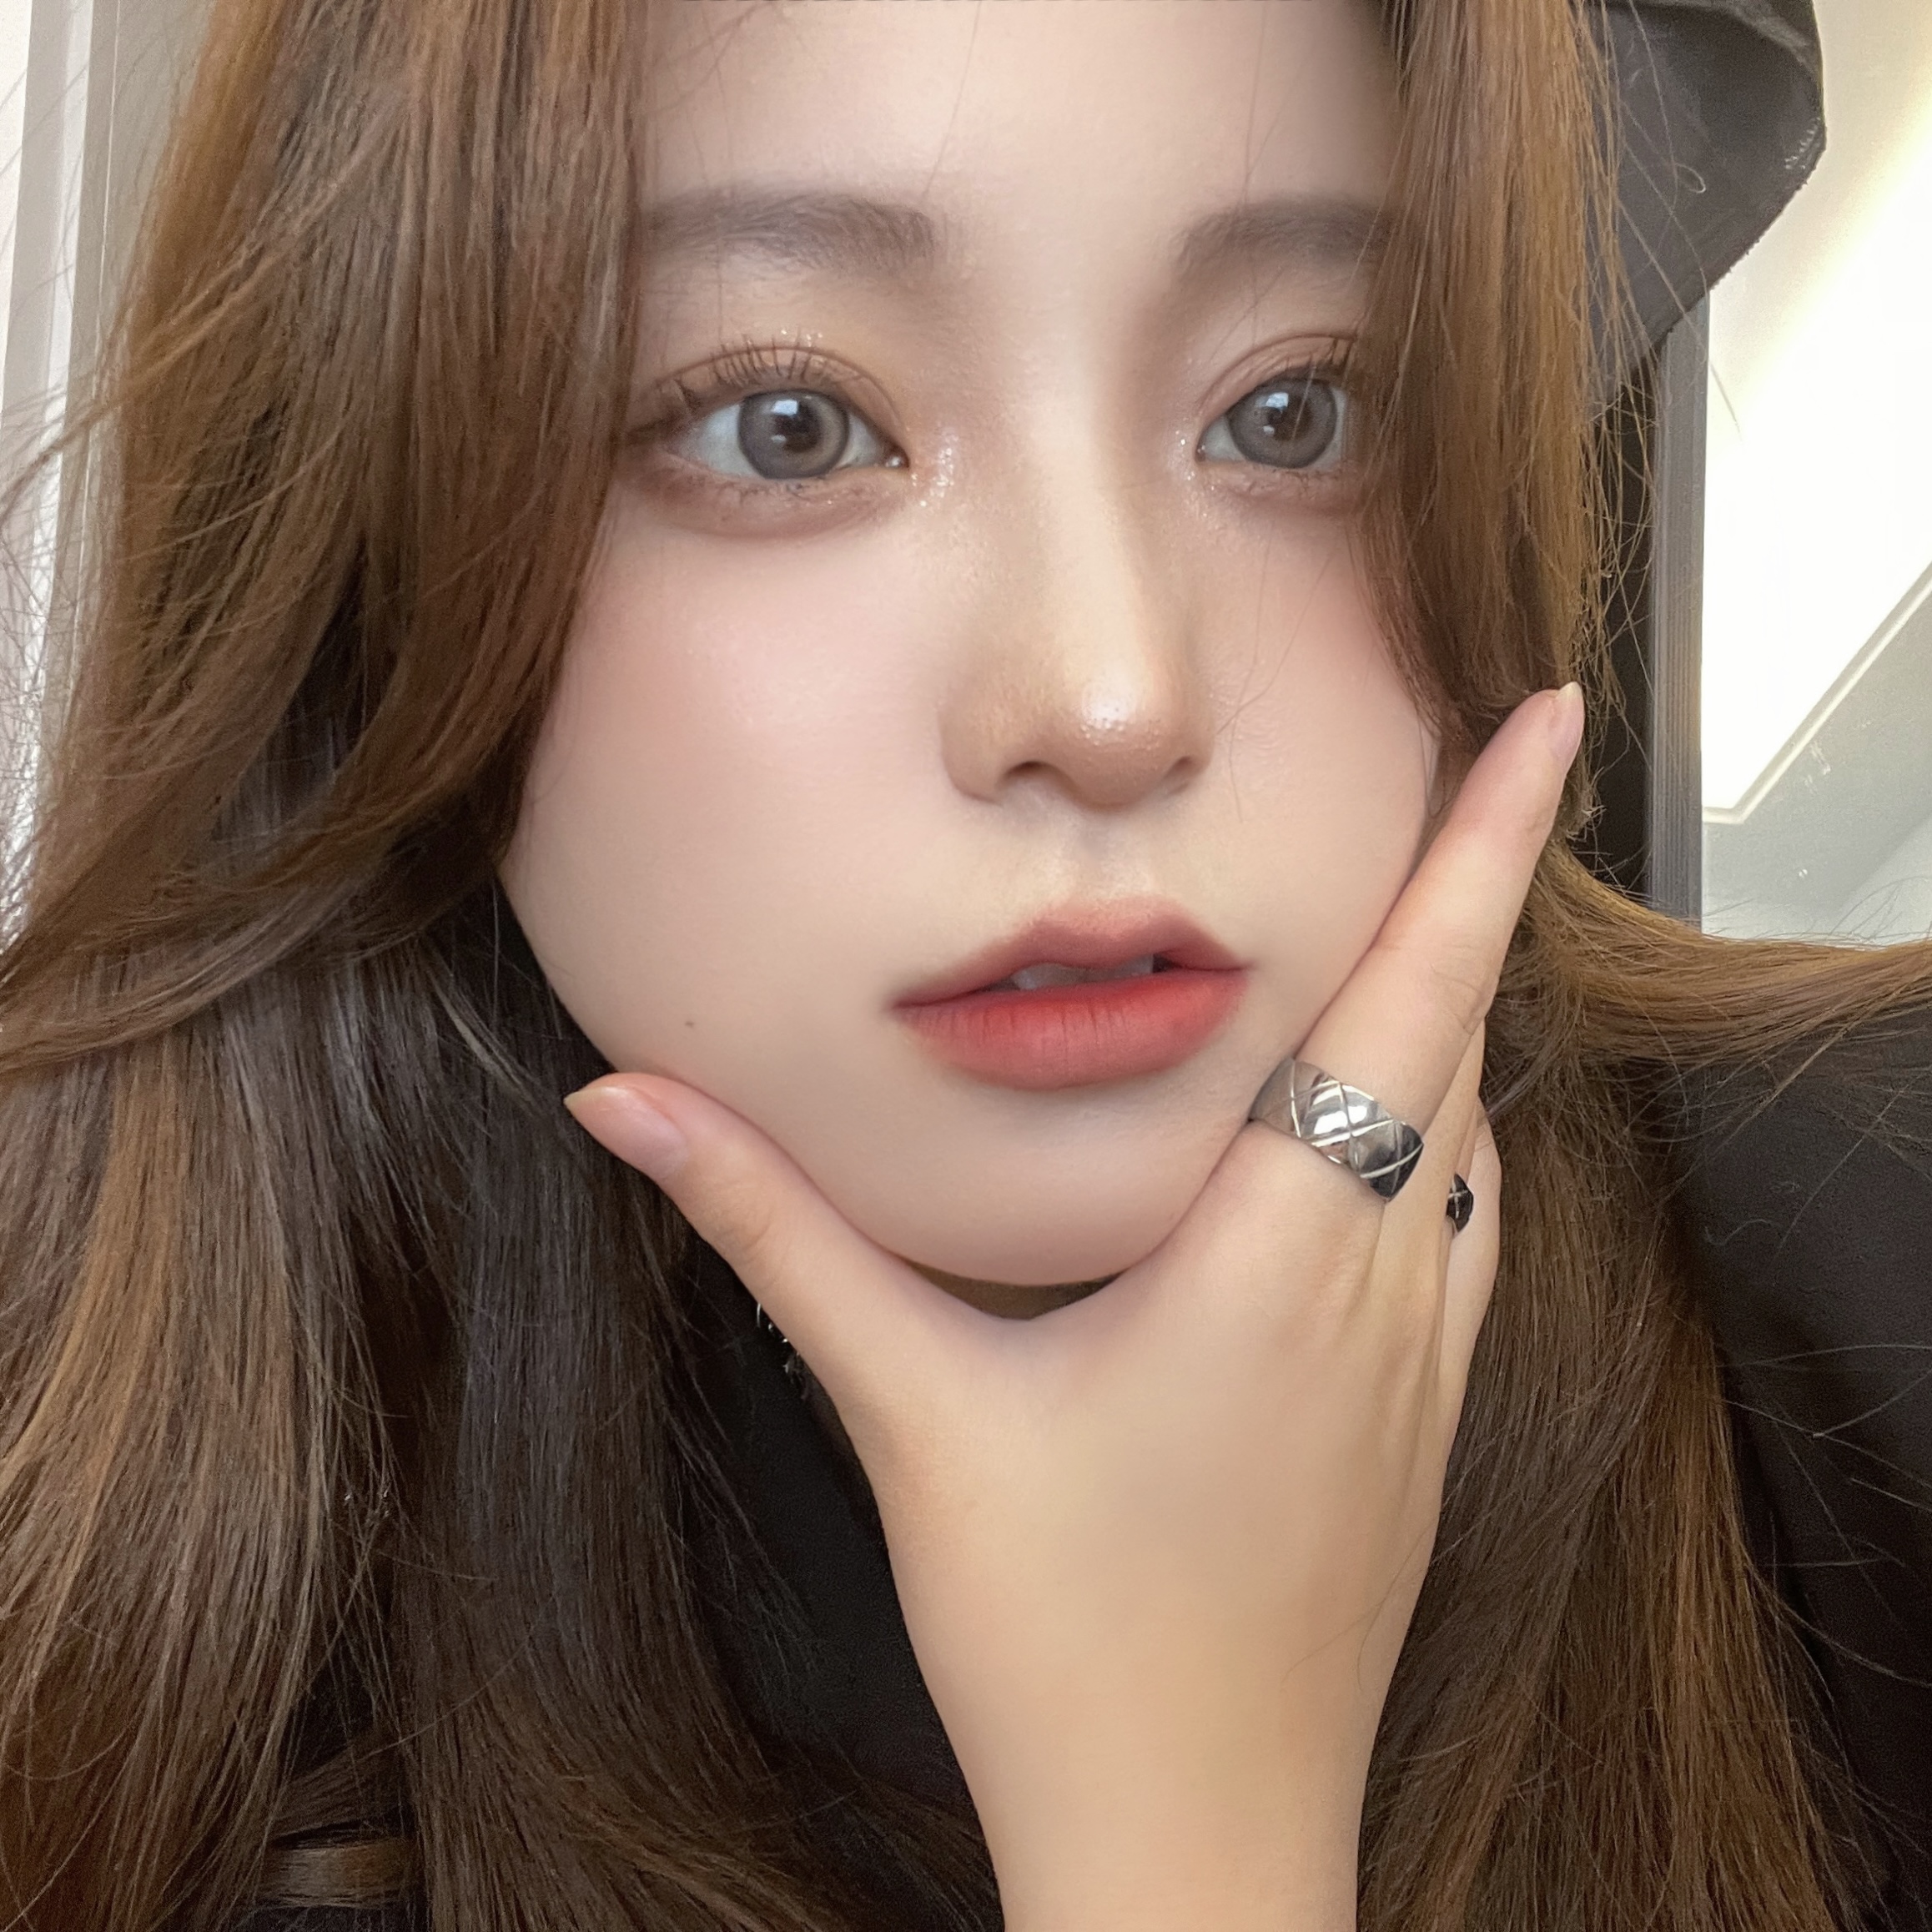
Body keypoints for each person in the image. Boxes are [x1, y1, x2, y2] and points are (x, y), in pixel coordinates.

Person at [0, 2, 1924, 1929]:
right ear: (371, 557)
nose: (1110, 697)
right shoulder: (93, 1546)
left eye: (1300, 411)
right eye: (790, 426)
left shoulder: (1883, 1225)